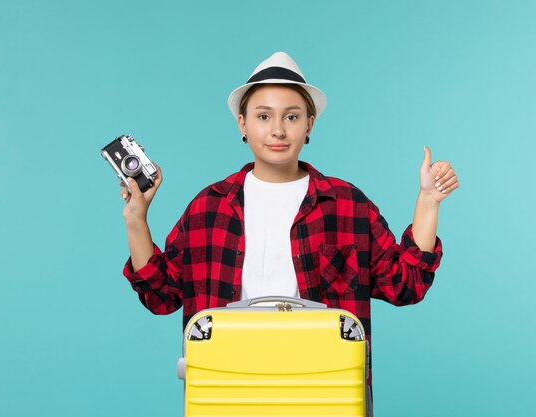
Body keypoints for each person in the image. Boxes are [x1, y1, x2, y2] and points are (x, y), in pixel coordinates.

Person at [119, 51, 459, 412]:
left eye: (292, 117)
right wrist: (136, 219)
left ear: (309, 124)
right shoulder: (209, 206)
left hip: (323, 388)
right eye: (263, 116)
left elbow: (405, 283)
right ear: (242, 124)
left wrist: (428, 201)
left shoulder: (346, 204)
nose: (278, 130)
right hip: (226, 387)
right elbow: (162, 295)